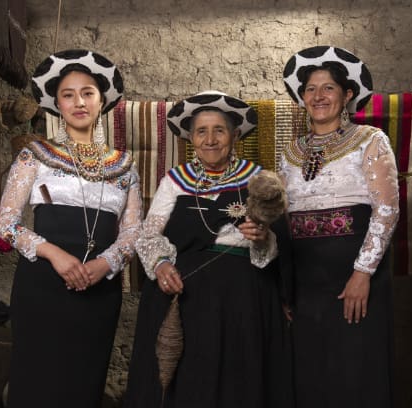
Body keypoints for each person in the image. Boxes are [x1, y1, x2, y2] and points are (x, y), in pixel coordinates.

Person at [123, 91, 293, 408]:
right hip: (184, 295)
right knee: (188, 382)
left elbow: (275, 244)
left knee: (238, 380)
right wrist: (160, 265)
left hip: (243, 296)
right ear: (190, 138)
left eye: (220, 130)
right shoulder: (175, 181)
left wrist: (260, 238)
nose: (210, 140)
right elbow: (147, 236)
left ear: (235, 135)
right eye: (202, 131)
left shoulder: (259, 179)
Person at [0, 49, 142, 407]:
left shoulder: (124, 167)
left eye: (87, 93)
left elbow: (133, 233)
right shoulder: (35, 156)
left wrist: (105, 264)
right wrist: (55, 254)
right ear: (57, 104)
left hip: (99, 291)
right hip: (42, 288)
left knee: (83, 385)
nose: (79, 102)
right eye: (68, 94)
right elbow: (5, 224)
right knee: (36, 383)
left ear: (101, 100)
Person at [280, 45, 400, 408]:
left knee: (356, 367)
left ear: (347, 95)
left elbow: (387, 210)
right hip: (306, 279)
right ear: (302, 98)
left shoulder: (370, 140)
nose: (318, 96)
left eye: (328, 88)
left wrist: (362, 273)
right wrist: (286, 287)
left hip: (354, 273)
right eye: (310, 89)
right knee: (310, 369)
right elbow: (282, 220)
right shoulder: (290, 152)